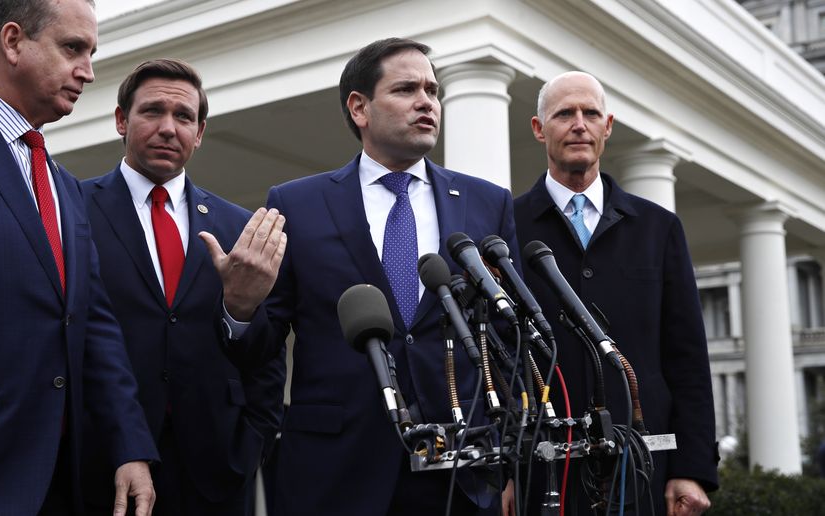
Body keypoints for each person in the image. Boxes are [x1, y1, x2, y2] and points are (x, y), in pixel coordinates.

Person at [262, 38, 519, 516]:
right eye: (406, 89)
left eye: (433, 90)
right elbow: (264, 342)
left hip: (462, 475)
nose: (426, 102)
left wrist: (508, 462)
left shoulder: (488, 204)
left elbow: (508, 341)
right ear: (359, 107)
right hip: (334, 471)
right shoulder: (296, 204)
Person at [0, 1, 159, 515]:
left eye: (91, 53)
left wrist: (129, 446)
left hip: (64, 479)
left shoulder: (62, 185)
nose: (88, 71)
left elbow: (93, 325)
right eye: (72, 48)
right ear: (13, 42)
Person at [80, 58, 286, 515]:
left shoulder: (239, 226)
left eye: (184, 117)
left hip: (215, 469)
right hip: (99, 463)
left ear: (200, 132)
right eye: (152, 111)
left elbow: (267, 354)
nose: (168, 128)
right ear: (120, 120)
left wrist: (254, 442)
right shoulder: (73, 209)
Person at [513, 71, 718, 515]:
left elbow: (687, 359)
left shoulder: (660, 228)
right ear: (538, 128)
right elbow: (498, 358)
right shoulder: (506, 227)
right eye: (564, 113)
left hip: (643, 467)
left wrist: (694, 467)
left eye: (591, 113)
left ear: (608, 126)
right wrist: (504, 472)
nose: (579, 124)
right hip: (542, 471)